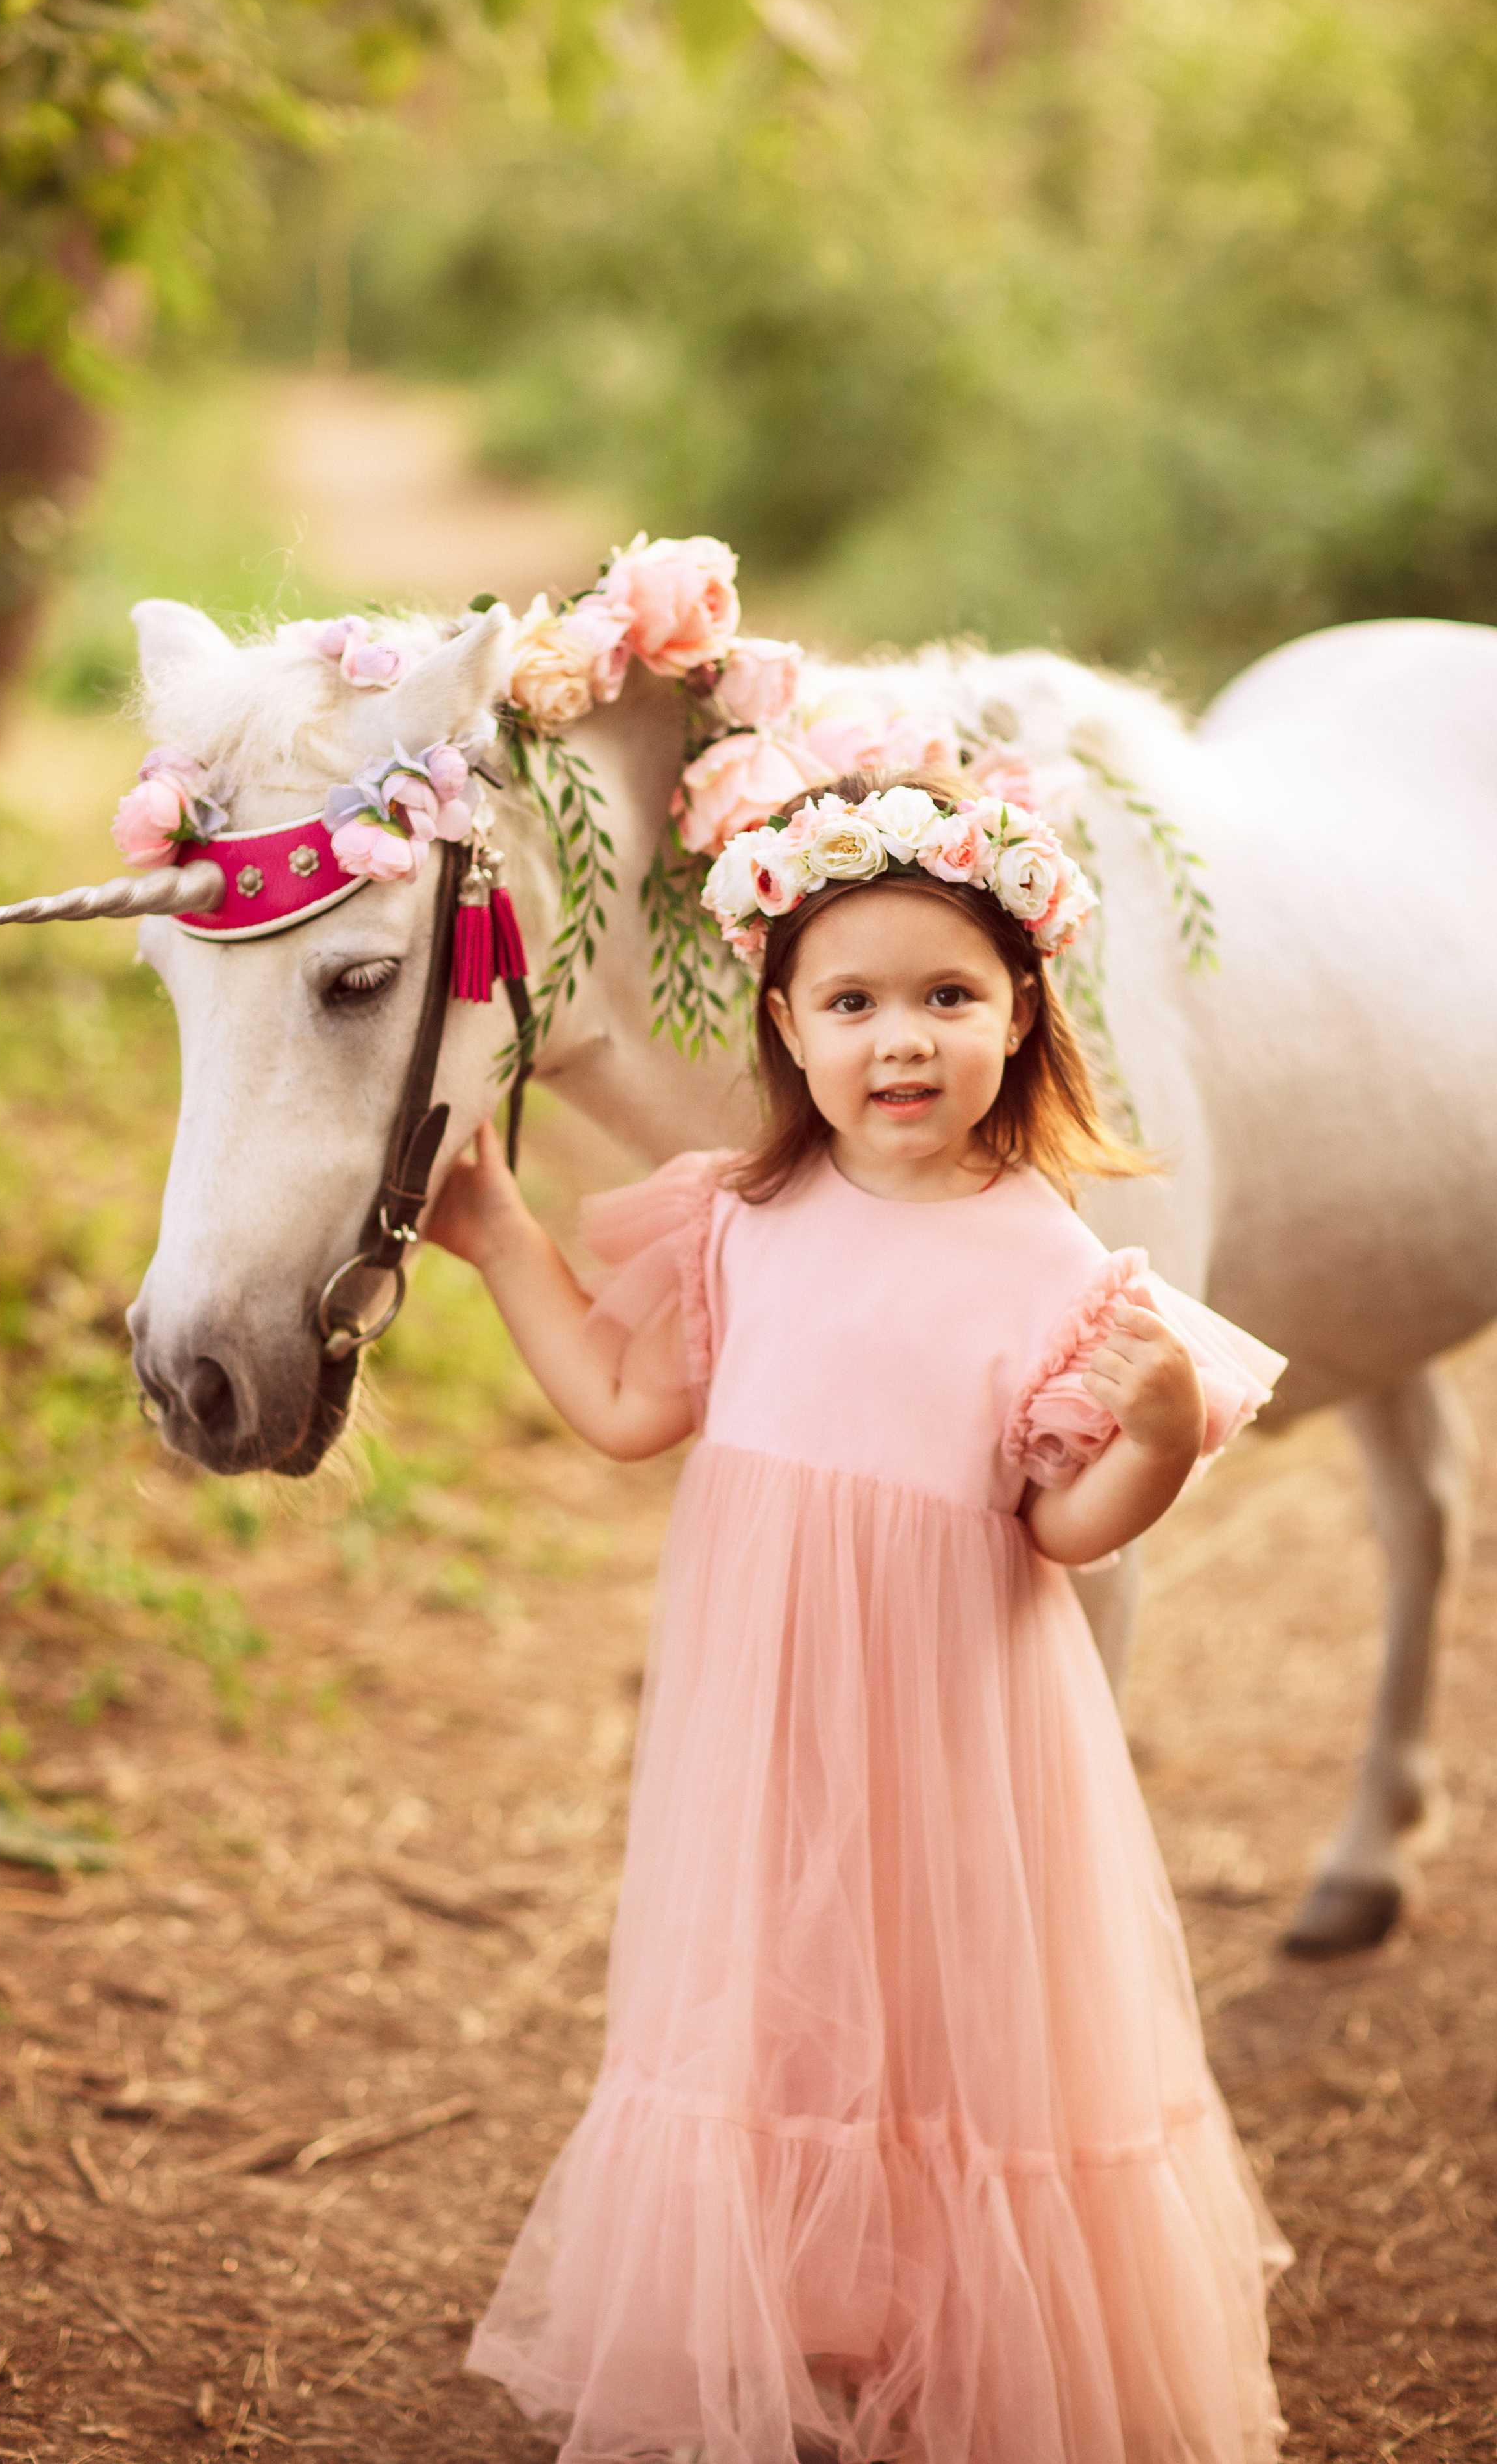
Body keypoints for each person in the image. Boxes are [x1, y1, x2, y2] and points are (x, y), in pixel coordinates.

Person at [429, 771, 1289, 2463]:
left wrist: (1155, 1439)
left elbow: (1062, 1529)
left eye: (948, 997)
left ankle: (962, 2343)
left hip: (954, 1721)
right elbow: (624, 1405)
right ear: (787, 1025)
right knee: (775, 1994)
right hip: (764, 1714)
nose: (903, 1040)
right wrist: (502, 1236)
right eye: (855, 1003)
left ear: (1021, 1014)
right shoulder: (740, 1221)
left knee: (947, 2011)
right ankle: (799, 2317)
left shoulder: (1057, 1269)